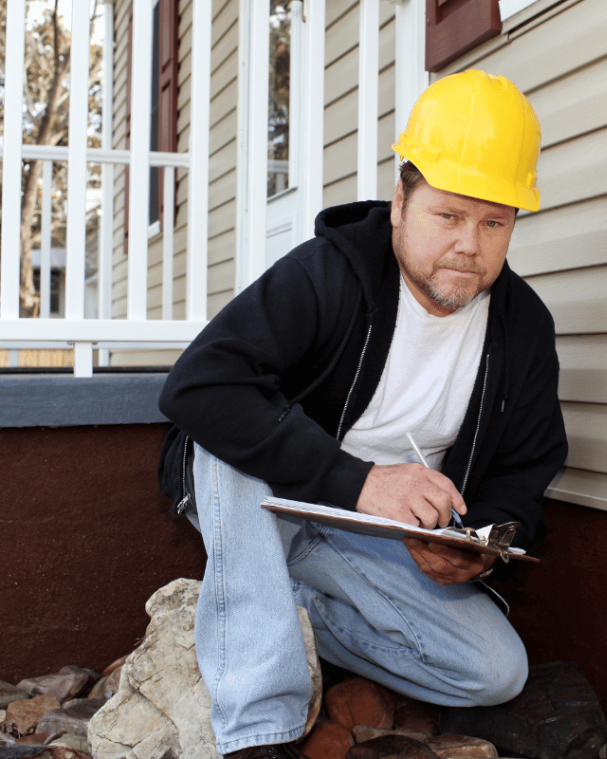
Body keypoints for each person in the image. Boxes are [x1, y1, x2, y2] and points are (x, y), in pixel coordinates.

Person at [156, 69, 568, 759]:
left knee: (496, 671)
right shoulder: (329, 273)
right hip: (267, 497)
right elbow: (200, 385)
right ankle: (260, 731)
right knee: (228, 441)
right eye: (449, 214)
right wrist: (362, 482)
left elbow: (527, 468)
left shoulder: (522, 327)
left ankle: (272, 609)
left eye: (494, 221)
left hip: (367, 541)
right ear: (400, 202)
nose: (470, 242)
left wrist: (483, 544)